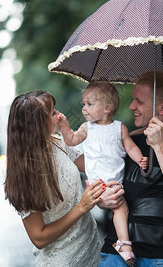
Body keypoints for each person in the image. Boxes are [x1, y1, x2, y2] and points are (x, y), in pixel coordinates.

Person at [98, 71, 163, 267]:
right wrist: (102, 199)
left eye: (139, 101)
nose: (131, 106)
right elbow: (103, 178)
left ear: (162, 108)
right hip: (115, 254)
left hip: (158, 259)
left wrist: (160, 145)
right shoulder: (131, 141)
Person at [4, 90, 104, 267]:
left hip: (92, 250)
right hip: (62, 261)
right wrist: (82, 207)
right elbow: (39, 238)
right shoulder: (25, 173)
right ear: (36, 124)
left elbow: (96, 167)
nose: (60, 116)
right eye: (53, 113)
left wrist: (118, 132)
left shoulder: (59, 142)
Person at [58, 82, 148, 267]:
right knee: (121, 207)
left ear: (107, 108)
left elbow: (130, 146)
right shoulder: (86, 128)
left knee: (120, 208)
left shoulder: (119, 128)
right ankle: (124, 243)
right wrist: (65, 125)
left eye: (89, 104)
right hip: (97, 183)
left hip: (114, 183)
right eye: (83, 104)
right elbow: (72, 140)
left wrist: (140, 159)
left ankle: (123, 243)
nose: (84, 108)